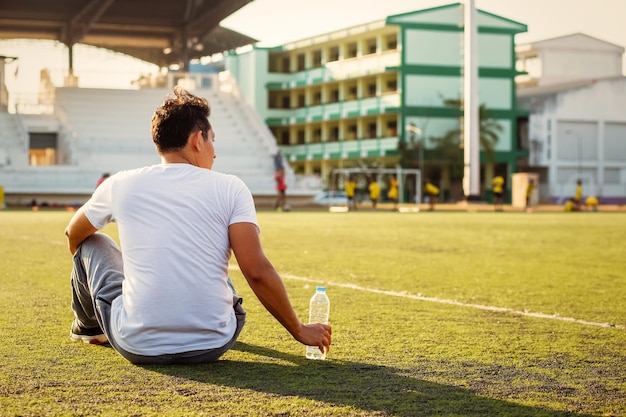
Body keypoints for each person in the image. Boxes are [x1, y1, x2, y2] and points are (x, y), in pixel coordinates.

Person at [64, 87, 331, 365]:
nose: (214, 154)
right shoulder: (231, 187)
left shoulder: (120, 184)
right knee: (215, 248)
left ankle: (90, 327)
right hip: (214, 342)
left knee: (92, 242)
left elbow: (73, 234)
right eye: (212, 141)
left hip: (137, 344)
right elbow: (256, 271)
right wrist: (299, 330)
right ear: (197, 140)